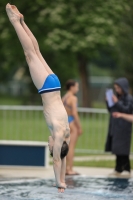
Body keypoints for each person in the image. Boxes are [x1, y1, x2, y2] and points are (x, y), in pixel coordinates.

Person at [6, 3, 70, 193]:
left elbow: (63, 159)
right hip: (46, 88)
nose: (49, 143)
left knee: (36, 52)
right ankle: (15, 21)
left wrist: (62, 183)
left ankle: (23, 21)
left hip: (55, 83)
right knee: (29, 54)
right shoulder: (59, 135)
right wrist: (58, 182)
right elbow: (58, 160)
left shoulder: (66, 134)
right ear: (55, 147)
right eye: (51, 146)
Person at [105, 77, 133, 177]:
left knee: (123, 149)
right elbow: (112, 110)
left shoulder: (128, 98)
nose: (116, 90)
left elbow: (127, 110)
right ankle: (118, 168)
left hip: (124, 127)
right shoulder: (118, 97)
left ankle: (126, 168)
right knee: (116, 148)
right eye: (115, 88)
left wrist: (116, 102)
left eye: (118, 88)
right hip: (115, 126)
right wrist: (108, 102)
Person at [62, 80, 82, 175]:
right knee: (71, 147)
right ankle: (70, 169)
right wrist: (79, 127)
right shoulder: (73, 98)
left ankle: (65, 169)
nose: (77, 89)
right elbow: (74, 113)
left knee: (65, 146)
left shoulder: (64, 97)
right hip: (72, 124)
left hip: (65, 123)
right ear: (71, 87)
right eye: (76, 87)